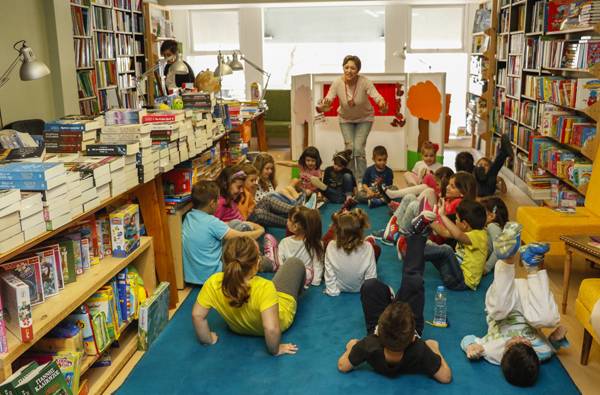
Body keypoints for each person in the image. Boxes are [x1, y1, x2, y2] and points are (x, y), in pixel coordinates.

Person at [336, 220, 452, 383]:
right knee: (413, 281)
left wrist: (351, 347)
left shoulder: (369, 345)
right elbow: (446, 377)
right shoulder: (419, 350)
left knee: (370, 286)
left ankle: (391, 297)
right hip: (400, 325)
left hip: (385, 327)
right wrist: (435, 349)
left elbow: (342, 365)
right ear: (413, 338)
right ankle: (416, 236)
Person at [461, 236, 568, 387]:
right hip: (527, 300)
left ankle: (508, 258)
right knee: (549, 319)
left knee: (499, 311)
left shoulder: (492, 352)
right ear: (533, 352)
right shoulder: (541, 353)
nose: (518, 337)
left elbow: (467, 339)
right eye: (524, 342)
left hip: (504, 296)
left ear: (503, 353)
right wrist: (557, 338)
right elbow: (551, 347)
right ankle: (532, 265)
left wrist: (470, 347)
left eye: (512, 343)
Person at [192, 237, 306, 356]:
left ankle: (273, 264)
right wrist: (276, 350)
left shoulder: (213, 282)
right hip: (281, 318)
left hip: (237, 328)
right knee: (294, 262)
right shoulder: (265, 287)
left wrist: (207, 339)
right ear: (257, 264)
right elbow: (271, 329)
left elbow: (197, 315)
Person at [317, 55, 388, 180]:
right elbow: (329, 98)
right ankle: (349, 179)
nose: (349, 71)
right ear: (343, 68)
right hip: (345, 119)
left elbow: (377, 96)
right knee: (349, 149)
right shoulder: (337, 82)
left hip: (365, 118)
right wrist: (325, 103)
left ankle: (362, 180)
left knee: (358, 148)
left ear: (358, 70)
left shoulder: (365, 82)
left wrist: (381, 103)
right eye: (346, 67)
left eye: (353, 68)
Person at [182, 181, 264, 285]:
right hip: (213, 275)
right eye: (218, 200)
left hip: (192, 277)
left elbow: (220, 226)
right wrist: (260, 230)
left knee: (235, 223)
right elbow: (240, 236)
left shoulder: (189, 217)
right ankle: (262, 260)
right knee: (243, 229)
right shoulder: (212, 222)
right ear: (212, 204)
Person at [422, 199, 489, 291]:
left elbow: (458, 235)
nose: (455, 221)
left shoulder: (480, 236)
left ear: (465, 224)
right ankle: (412, 245)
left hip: (461, 282)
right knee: (436, 247)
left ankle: (412, 250)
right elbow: (444, 232)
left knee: (446, 250)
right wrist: (429, 220)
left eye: (457, 219)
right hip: (453, 272)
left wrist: (442, 216)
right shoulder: (466, 231)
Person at [324, 209, 377, 296]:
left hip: (339, 286)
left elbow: (329, 272)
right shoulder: (368, 247)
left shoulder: (330, 246)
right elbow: (371, 277)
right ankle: (369, 239)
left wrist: (332, 290)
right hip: (360, 288)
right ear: (360, 231)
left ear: (336, 231)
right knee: (375, 249)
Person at [278, 206, 324, 287]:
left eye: (288, 219)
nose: (287, 221)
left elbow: (281, 262)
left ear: (295, 227)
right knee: (308, 272)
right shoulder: (316, 243)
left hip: (287, 276)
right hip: (305, 277)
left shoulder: (284, 242)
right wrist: (315, 281)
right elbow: (317, 264)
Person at [479, 196, 510, 275]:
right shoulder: (490, 227)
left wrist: (487, 267)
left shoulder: (492, 226)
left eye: (481, 214)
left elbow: (499, 248)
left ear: (491, 216)